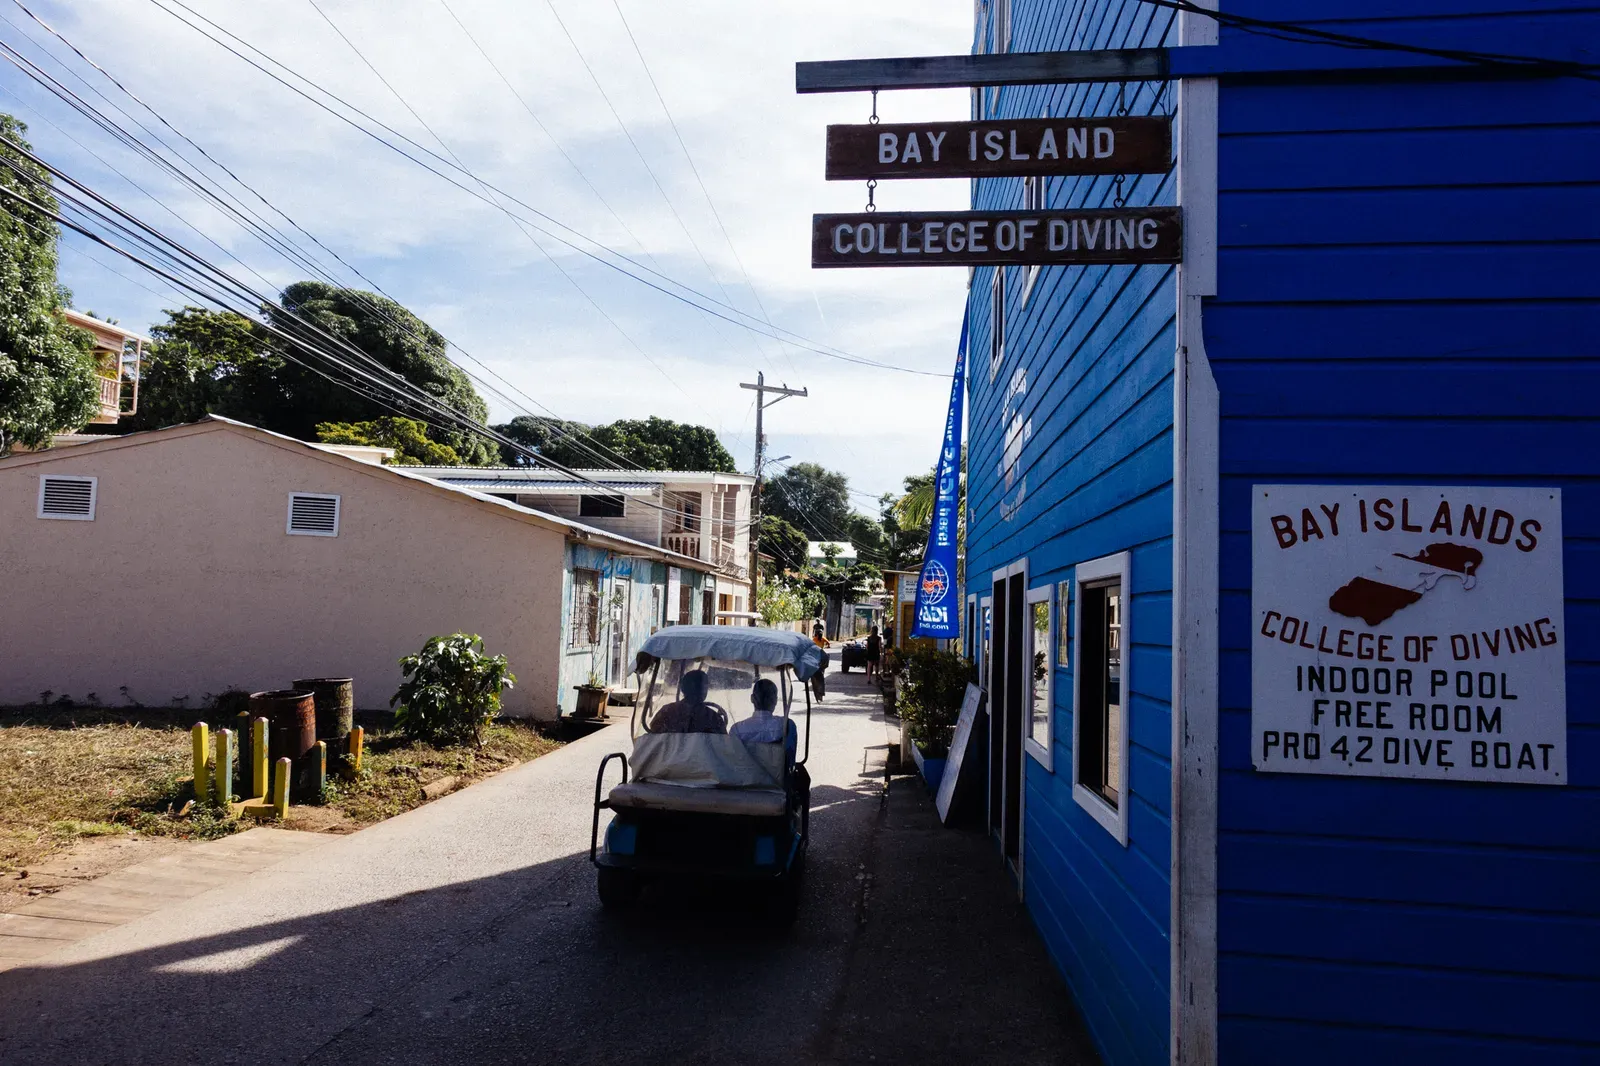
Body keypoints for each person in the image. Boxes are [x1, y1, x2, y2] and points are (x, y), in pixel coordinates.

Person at [730, 678, 797, 762]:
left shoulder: (736, 729)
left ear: (752, 698)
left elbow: (733, 761)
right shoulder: (787, 725)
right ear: (775, 701)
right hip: (777, 770)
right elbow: (790, 758)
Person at [649, 669, 725, 734]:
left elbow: (654, 736)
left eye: (704, 686)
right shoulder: (713, 717)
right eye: (702, 686)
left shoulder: (666, 711)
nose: (702, 690)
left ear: (683, 688)